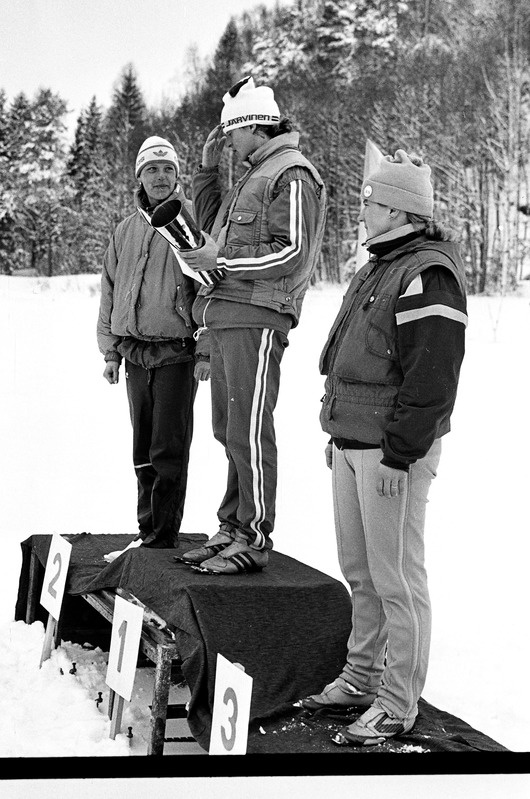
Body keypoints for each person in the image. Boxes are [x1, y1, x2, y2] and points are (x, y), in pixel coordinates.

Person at [300, 150, 468, 746]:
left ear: (397, 208)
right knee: (361, 571)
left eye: (370, 201)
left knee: (397, 577)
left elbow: (433, 377)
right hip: (353, 442)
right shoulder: (378, 264)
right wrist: (339, 432)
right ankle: (362, 678)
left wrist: (399, 452)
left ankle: (398, 701)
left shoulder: (426, 272)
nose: (362, 209)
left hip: (391, 453)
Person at [177, 76, 327, 575]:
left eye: (230, 133)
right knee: (228, 429)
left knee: (248, 428)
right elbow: (218, 229)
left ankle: (256, 535)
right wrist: (204, 175)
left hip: (259, 317)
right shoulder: (255, 174)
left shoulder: (293, 173)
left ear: (253, 128)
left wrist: (221, 265)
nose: (227, 142)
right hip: (226, 318)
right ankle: (234, 526)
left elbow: (294, 251)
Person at [97, 136, 210, 559]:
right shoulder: (125, 230)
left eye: (167, 169)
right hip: (134, 354)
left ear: (177, 176)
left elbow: (211, 290)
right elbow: (109, 290)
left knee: (168, 445)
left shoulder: (190, 223)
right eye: (152, 169)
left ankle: (163, 537)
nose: (160, 177)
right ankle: (146, 530)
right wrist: (110, 351)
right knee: (141, 445)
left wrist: (205, 351)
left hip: (178, 353)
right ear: (139, 177)